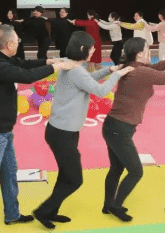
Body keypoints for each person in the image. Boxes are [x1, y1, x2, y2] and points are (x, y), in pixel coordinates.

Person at [0, 25, 80, 232]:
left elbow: (24, 64)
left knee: (9, 173)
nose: (18, 42)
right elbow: (26, 75)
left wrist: (49, 61)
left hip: (4, 130)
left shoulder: (2, 57)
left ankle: (12, 214)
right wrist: (57, 67)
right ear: (9, 44)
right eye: (17, 40)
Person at [33, 32, 134, 229]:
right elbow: (101, 91)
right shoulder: (76, 71)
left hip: (61, 131)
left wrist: (109, 70)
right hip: (62, 133)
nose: (94, 50)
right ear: (83, 49)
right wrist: (117, 75)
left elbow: (87, 79)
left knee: (66, 175)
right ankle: (43, 211)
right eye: (92, 47)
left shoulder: (70, 64)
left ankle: (50, 212)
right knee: (75, 179)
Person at [101, 37, 165, 222]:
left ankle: (108, 205)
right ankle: (115, 206)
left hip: (113, 126)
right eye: (147, 49)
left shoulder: (132, 67)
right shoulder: (141, 72)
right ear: (139, 54)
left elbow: (157, 67)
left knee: (116, 168)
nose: (150, 52)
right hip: (120, 129)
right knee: (136, 171)